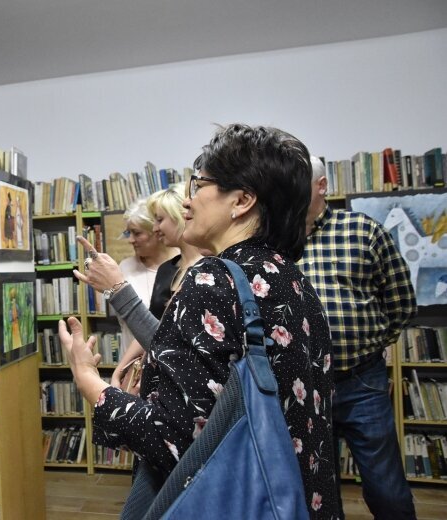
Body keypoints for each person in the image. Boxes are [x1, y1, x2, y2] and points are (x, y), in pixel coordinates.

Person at [60, 123, 337, 518]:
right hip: (297, 498)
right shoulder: (292, 278)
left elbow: (172, 441)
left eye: (199, 184)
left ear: (241, 200)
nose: (187, 202)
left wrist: (88, 379)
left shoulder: (212, 280)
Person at [300, 156, 417, 520]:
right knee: (316, 488)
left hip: (361, 382)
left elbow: (400, 301)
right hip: (304, 387)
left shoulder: (362, 230)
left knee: (386, 487)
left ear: (322, 186)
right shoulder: (274, 240)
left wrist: (366, 346)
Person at [110, 185, 202, 389]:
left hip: (187, 380)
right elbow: (152, 327)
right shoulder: (166, 270)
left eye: (160, 220)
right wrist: (122, 369)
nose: (155, 228)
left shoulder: (207, 270)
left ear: (181, 217)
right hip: (157, 375)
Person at [115, 196, 177, 362]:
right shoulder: (125, 268)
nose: (130, 240)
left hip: (166, 364)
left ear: (156, 231)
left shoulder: (181, 266)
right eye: (129, 233)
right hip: (130, 366)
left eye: (137, 233)